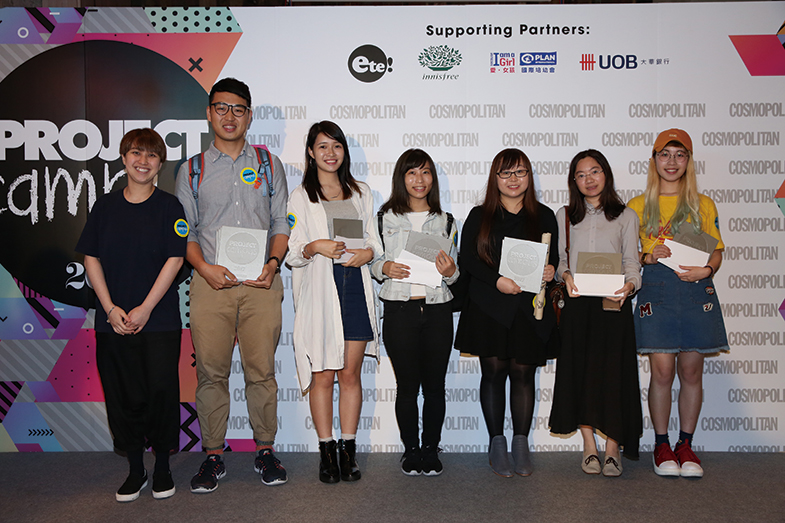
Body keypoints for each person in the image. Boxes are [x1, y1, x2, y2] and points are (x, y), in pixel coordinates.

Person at [175, 78, 290, 491]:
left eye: (238, 109)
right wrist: (204, 268)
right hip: (210, 285)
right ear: (209, 114)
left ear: (249, 116)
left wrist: (273, 264)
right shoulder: (192, 169)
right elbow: (184, 232)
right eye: (221, 108)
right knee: (211, 373)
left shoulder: (268, 163)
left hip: (261, 284)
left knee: (262, 372)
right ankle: (212, 456)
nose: (230, 116)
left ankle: (265, 450)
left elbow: (280, 221)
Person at [77, 128, 186, 502]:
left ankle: (162, 468)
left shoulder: (170, 207)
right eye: (136, 153)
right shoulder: (105, 207)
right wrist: (110, 309)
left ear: (160, 164)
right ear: (124, 158)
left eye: (152, 155)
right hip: (113, 321)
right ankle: (136, 470)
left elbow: (175, 259)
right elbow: (91, 257)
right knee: (123, 395)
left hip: (159, 320)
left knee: (160, 393)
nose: (143, 161)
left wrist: (146, 308)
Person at [627, 128, 728, 478]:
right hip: (656, 291)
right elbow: (628, 256)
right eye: (665, 154)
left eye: (679, 155)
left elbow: (717, 251)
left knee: (691, 372)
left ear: (688, 160)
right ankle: (661, 445)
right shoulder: (637, 206)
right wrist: (647, 255)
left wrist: (707, 270)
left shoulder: (704, 204)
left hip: (696, 290)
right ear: (654, 160)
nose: (672, 162)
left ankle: (686, 444)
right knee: (662, 372)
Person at [286, 121, 382, 483]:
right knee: (323, 376)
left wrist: (368, 253)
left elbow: (374, 241)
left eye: (337, 146)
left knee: (350, 375)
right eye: (323, 146)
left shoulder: (361, 192)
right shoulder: (301, 196)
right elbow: (293, 253)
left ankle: (348, 451)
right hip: (321, 293)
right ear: (311, 152)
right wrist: (315, 247)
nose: (330, 153)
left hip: (354, 288)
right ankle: (326, 452)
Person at [454, 148, 558, 477]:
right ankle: (496, 443)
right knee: (494, 374)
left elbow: (553, 257)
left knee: (524, 375)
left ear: (529, 176)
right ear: (495, 178)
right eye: (506, 173)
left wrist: (550, 270)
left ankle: (521, 443)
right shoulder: (479, 215)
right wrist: (497, 281)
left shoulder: (544, 215)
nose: (513, 179)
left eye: (520, 172)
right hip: (489, 305)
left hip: (528, 308)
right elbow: (468, 260)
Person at [548, 149, 643, 477]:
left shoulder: (626, 216)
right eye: (581, 174)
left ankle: (613, 447)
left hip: (613, 303)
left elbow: (632, 262)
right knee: (580, 373)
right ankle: (589, 445)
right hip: (577, 305)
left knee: (614, 375)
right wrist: (566, 276)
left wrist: (629, 286)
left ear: (606, 174)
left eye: (595, 171)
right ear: (573, 181)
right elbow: (561, 261)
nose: (588, 179)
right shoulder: (564, 216)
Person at [371, 149, 458, 476]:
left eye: (425, 172)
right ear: (401, 178)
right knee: (407, 388)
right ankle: (410, 450)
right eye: (412, 173)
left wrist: (450, 271)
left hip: (438, 311)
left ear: (432, 178)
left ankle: (431, 449)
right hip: (400, 310)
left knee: (435, 387)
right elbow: (372, 261)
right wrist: (384, 267)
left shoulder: (447, 221)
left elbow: (456, 273)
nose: (419, 180)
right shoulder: (384, 219)